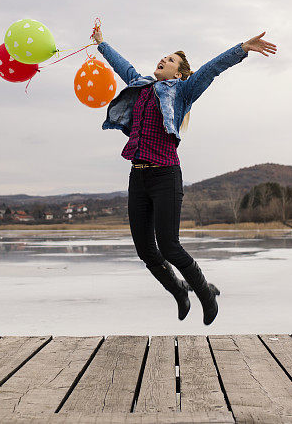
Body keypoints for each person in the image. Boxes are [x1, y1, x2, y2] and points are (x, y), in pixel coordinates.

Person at [91, 24, 277, 324]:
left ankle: (205, 294)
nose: (163, 60)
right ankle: (179, 291)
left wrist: (242, 48)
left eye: (171, 60)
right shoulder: (140, 85)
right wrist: (102, 44)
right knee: (146, 252)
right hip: (137, 178)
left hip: (166, 177)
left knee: (169, 245)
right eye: (164, 57)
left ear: (178, 74)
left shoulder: (182, 92)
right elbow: (121, 65)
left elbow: (210, 69)